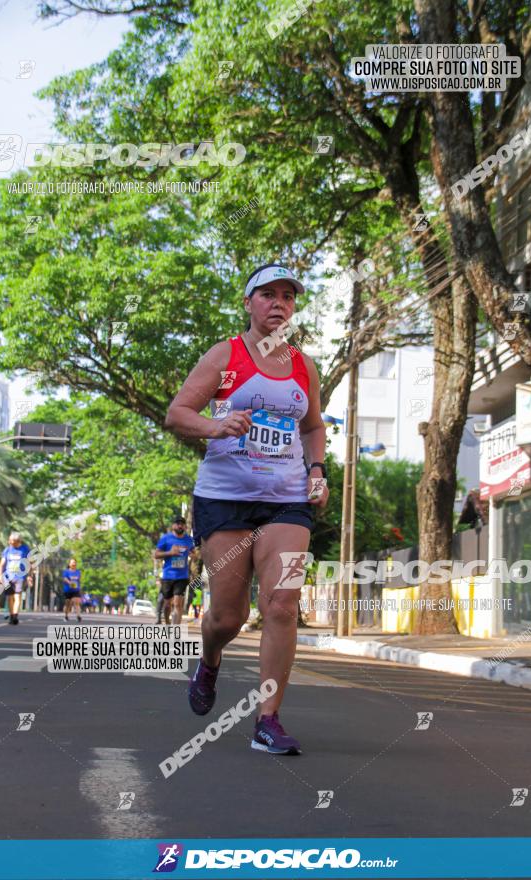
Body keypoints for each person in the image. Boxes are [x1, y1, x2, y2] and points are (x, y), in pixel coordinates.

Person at [164, 263, 329, 755]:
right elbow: (178, 414)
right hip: (225, 499)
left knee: (282, 602)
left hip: (287, 501)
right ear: (249, 303)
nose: (279, 303)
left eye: (288, 296)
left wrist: (317, 470)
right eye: (267, 294)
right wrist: (216, 427)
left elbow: (313, 426)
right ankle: (210, 657)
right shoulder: (225, 356)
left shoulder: (303, 364)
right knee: (227, 616)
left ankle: (268, 719)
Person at [154, 517, 195, 626]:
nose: (180, 526)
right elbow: (156, 555)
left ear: (185, 526)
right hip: (168, 576)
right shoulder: (166, 538)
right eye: (177, 523)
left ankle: (175, 628)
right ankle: (167, 624)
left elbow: (194, 553)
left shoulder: (188, 540)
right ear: (173, 526)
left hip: (182, 576)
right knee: (167, 604)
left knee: (177, 603)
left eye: (182, 524)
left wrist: (193, 555)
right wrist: (170, 553)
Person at [0, 532, 33, 625]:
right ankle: (12, 614)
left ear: (18, 541)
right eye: (10, 540)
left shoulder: (25, 549)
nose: (9, 542)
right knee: (9, 597)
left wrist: (29, 576)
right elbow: (2, 564)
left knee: (17, 596)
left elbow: (29, 563)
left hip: (20, 577)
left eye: (11, 541)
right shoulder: (7, 550)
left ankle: (15, 616)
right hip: (8, 577)